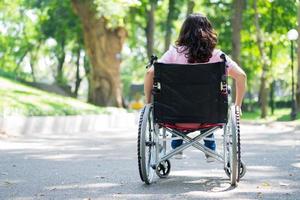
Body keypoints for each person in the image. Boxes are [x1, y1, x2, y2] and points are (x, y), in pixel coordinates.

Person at [144, 13, 247, 161]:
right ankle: (210, 149)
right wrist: (238, 106)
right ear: (209, 32)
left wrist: (148, 102)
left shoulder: (173, 54)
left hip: (174, 116)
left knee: (177, 101)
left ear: (184, 32)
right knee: (207, 103)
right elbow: (241, 76)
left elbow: (149, 73)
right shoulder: (218, 56)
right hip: (209, 116)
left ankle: (176, 146)